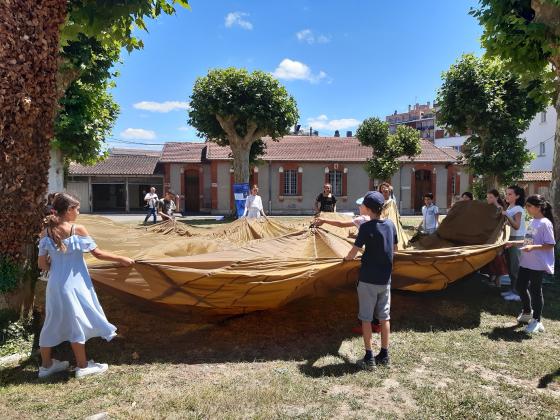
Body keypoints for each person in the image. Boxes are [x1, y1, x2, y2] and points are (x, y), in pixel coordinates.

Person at [37, 193, 134, 379]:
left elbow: (42, 264)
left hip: (55, 285)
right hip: (75, 285)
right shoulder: (77, 229)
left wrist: (57, 268)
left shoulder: (46, 232)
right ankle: (82, 366)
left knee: (51, 322)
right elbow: (98, 254)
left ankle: (46, 366)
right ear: (69, 210)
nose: (79, 212)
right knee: (76, 324)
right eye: (77, 208)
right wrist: (121, 258)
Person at [344, 191, 397, 368]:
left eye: (362, 205)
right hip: (385, 280)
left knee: (366, 318)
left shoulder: (366, 227)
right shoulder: (390, 225)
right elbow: (394, 249)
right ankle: (384, 354)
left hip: (367, 280)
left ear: (367, 208)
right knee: (384, 318)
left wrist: (346, 259)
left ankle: (369, 357)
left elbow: (353, 251)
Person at [513, 195, 555, 333]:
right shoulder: (532, 221)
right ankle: (527, 312)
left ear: (538, 207)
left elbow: (550, 244)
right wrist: (512, 243)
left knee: (535, 291)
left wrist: (533, 248)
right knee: (520, 286)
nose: (527, 208)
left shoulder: (545, 223)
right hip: (526, 262)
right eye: (526, 206)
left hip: (537, 263)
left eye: (529, 206)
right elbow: (528, 242)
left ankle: (537, 321)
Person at [501, 185, 526, 302]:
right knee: (510, 266)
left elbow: (516, 225)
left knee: (515, 267)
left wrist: (506, 216)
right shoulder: (510, 207)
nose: (507, 196)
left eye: (510, 194)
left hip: (517, 238)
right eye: (507, 193)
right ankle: (513, 289)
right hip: (509, 238)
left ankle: (518, 293)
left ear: (517, 196)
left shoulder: (518, 209)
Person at [481, 189, 508, 286]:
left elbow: (500, 224)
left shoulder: (500, 208)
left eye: (491, 197)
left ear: (496, 197)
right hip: (488, 237)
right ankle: (493, 280)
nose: (488, 199)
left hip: (497, 238)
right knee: (491, 259)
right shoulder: (489, 208)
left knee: (497, 259)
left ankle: (497, 282)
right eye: (487, 197)